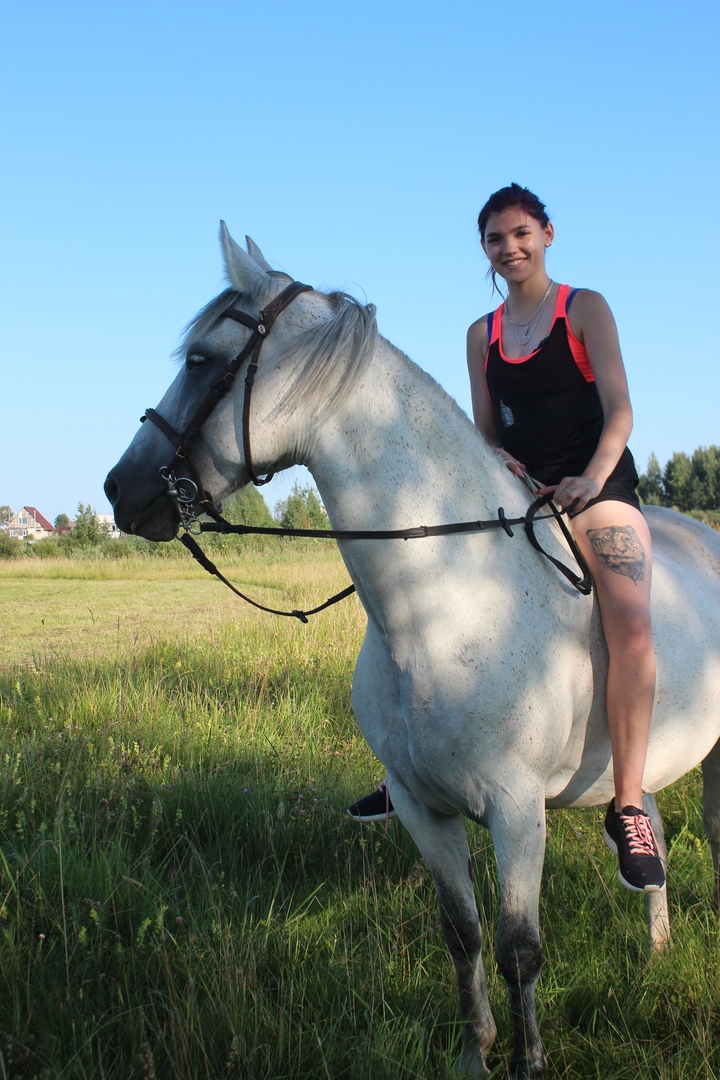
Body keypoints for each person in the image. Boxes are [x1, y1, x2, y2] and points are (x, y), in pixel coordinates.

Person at [347, 183, 665, 894]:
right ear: (485, 249)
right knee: (425, 595)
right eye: (496, 238)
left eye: (522, 233)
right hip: (518, 497)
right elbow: (486, 432)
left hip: (595, 489)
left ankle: (628, 806)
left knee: (632, 623)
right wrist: (500, 462)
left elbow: (620, 410)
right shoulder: (481, 334)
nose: (510, 247)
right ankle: (411, 771)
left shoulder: (584, 308)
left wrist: (590, 478)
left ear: (547, 234)